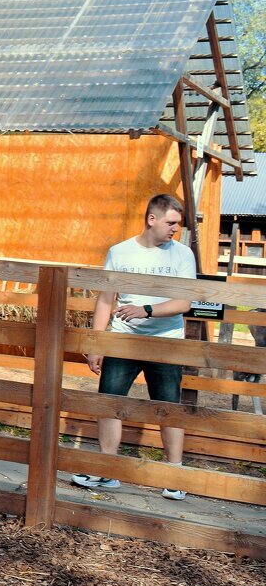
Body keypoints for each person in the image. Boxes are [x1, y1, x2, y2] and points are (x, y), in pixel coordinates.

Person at [72, 193, 196, 500]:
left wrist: (147, 310)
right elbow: (105, 299)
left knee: (168, 407)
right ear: (152, 219)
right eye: (170, 223)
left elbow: (184, 302)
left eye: (177, 224)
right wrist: (97, 341)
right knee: (109, 401)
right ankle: (106, 471)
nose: (174, 229)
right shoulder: (120, 252)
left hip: (166, 342)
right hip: (123, 339)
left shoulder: (182, 255)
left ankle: (174, 475)